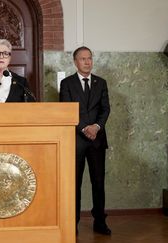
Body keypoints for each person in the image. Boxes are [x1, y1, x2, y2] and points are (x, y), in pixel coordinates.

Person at [59, 46, 111, 235]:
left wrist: (96, 127)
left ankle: (100, 221)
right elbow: (66, 109)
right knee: (75, 183)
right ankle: (73, 223)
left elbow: (105, 109)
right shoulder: (67, 83)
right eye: (83, 59)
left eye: (89, 58)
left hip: (97, 140)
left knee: (98, 182)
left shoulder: (101, 83)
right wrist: (84, 128)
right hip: (76, 141)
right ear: (75, 62)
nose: (87, 62)